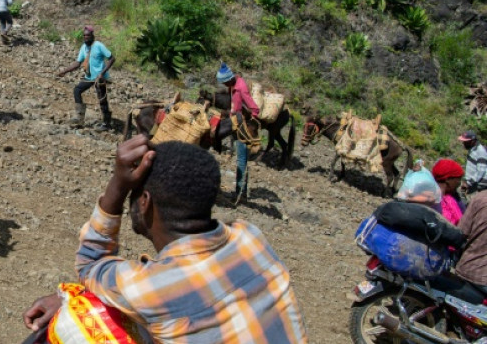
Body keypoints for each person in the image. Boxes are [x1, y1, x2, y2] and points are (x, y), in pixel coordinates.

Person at [22, 137, 308, 342]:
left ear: (144, 202)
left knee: (75, 325)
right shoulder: (250, 237)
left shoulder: (149, 288)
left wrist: (118, 184)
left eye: (135, 193)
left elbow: (90, 265)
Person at [56, 27, 114, 131]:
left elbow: (112, 58)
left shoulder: (99, 45)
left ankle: (107, 123)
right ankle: (80, 118)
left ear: (92, 36)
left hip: (99, 78)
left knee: (102, 99)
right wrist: (64, 71)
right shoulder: (83, 47)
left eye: (88, 36)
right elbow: (78, 63)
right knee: (77, 90)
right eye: (84, 36)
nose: (86, 37)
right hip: (89, 77)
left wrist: (102, 73)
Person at [216, 62, 259, 202]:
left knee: (242, 160)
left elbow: (254, 108)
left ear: (229, 79)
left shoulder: (241, 88)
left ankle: (240, 193)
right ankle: (241, 191)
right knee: (239, 157)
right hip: (234, 124)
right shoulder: (232, 86)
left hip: (241, 127)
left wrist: (250, 120)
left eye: (225, 83)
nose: (225, 86)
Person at [433, 158, 466, 225]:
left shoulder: (454, 197)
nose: (459, 183)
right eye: (459, 179)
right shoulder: (431, 200)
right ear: (448, 179)